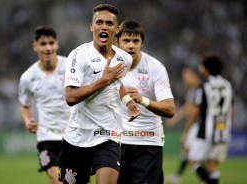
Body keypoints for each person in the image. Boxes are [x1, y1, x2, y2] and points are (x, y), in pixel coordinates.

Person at [58, 4, 141, 184]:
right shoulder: (78, 55)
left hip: (108, 135)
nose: (104, 27)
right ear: (91, 27)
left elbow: (116, 84)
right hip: (77, 136)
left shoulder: (124, 58)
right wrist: (104, 80)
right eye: (99, 22)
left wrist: (127, 101)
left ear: (116, 29)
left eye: (109, 23)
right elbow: (70, 97)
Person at [115, 19, 175, 184]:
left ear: (142, 43)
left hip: (148, 141)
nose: (131, 45)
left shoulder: (155, 67)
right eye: (126, 40)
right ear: (117, 42)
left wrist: (143, 100)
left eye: (136, 41)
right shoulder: (109, 66)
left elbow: (170, 109)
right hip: (117, 141)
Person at [18, 25, 70, 184]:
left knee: (76, 181)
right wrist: (28, 121)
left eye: (51, 43)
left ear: (57, 44)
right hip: (47, 136)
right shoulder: (28, 77)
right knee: (58, 180)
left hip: (73, 135)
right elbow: (25, 107)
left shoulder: (70, 67)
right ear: (35, 47)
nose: (48, 48)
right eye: (43, 44)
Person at [184, 51, 233, 184]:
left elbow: (196, 111)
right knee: (212, 164)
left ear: (206, 68)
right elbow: (231, 110)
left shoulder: (204, 85)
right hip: (223, 129)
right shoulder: (227, 85)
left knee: (193, 159)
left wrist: (187, 131)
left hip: (206, 129)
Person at [165, 67, 200, 184]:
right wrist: (174, 119)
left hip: (199, 125)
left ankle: (208, 177)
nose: (185, 80)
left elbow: (192, 110)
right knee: (187, 150)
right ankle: (178, 176)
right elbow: (187, 108)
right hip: (197, 125)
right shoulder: (192, 90)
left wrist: (186, 131)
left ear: (193, 76)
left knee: (191, 153)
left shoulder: (199, 89)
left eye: (187, 77)